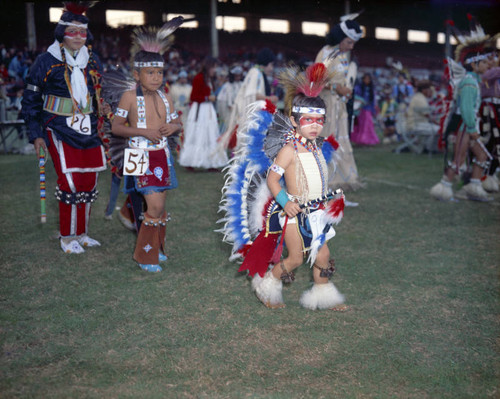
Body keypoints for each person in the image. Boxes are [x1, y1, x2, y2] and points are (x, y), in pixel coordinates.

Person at [218, 62, 347, 311]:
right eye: (308, 120)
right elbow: (272, 180)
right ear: (294, 120)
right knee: (296, 258)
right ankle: (267, 285)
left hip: (317, 212)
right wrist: (286, 203)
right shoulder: (288, 150)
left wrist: (326, 200)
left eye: (319, 120)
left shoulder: (316, 147)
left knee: (322, 255)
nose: (314, 125)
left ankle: (324, 294)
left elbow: (318, 178)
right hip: (293, 214)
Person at [21, 2, 107, 254]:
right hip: (56, 127)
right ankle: (67, 238)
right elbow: (30, 100)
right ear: (62, 33)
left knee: (88, 181)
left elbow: (101, 93)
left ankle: (82, 233)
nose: (78, 37)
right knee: (70, 181)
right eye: (72, 31)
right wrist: (36, 135)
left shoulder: (92, 60)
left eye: (82, 32)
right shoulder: (46, 61)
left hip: (88, 128)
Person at [111, 17, 183, 272]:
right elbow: (116, 127)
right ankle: (145, 256)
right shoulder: (129, 96)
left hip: (160, 155)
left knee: (160, 206)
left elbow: (176, 123)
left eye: (159, 72)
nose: (156, 77)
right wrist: (143, 131)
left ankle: (157, 249)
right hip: (138, 155)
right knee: (152, 206)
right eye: (150, 72)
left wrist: (171, 128)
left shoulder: (166, 96)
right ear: (136, 74)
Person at [430, 18, 493, 202]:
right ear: (473, 65)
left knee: (481, 155)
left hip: (468, 126)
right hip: (465, 127)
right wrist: (473, 130)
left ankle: (473, 186)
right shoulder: (469, 83)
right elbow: (466, 109)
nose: (487, 65)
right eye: (483, 62)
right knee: (459, 159)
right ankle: (443, 189)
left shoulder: (473, 81)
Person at [315, 14, 363, 191]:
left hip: (338, 106)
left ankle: (336, 187)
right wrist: (337, 88)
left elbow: (341, 80)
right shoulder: (327, 53)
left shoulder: (342, 56)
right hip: (326, 106)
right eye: (349, 42)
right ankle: (324, 186)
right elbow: (316, 81)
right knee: (327, 143)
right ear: (340, 39)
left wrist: (345, 91)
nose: (351, 47)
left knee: (338, 144)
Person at [218, 47, 279, 151]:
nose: (272, 68)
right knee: (249, 140)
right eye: (271, 65)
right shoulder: (256, 73)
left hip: (254, 112)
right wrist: (270, 98)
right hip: (252, 113)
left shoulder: (257, 72)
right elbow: (252, 94)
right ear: (266, 62)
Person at [178, 56, 228, 170]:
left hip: (208, 110)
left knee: (210, 135)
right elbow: (193, 96)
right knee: (198, 134)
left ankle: (211, 163)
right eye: (214, 67)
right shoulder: (199, 78)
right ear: (208, 67)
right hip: (200, 110)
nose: (215, 70)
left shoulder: (209, 79)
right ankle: (190, 162)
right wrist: (207, 98)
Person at [351, 73, 379, 145]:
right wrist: (361, 100)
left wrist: (373, 111)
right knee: (361, 125)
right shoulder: (358, 87)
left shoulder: (371, 89)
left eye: (368, 79)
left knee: (368, 124)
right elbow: (354, 95)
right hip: (360, 110)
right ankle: (361, 139)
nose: (367, 80)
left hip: (368, 109)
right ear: (363, 79)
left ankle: (366, 139)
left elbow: (373, 101)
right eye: (365, 79)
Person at [216, 65, 243, 134]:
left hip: (238, 109)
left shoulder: (241, 84)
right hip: (228, 111)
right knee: (228, 128)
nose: (238, 77)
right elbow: (229, 104)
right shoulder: (228, 86)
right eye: (236, 76)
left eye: (239, 75)